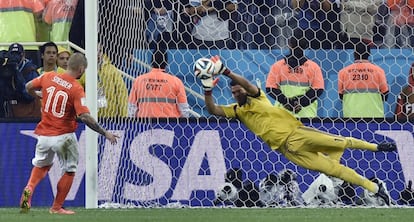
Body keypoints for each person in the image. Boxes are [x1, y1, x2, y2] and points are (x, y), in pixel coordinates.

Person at [200, 55, 396, 206]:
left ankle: (376, 147)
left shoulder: (258, 97)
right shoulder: (236, 111)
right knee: (333, 170)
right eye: (233, 93)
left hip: (298, 135)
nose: (237, 94)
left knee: (342, 141)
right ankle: (375, 188)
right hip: (288, 151)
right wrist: (207, 89)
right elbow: (213, 110)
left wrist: (226, 71)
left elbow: (247, 84)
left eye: (238, 91)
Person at [19, 53, 119, 215]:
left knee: (40, 165)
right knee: (70, 169)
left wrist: (39, 96)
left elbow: (28, 86)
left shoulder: (49, 76)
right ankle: (56, 207)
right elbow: (85, 116)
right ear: (81, 69)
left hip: (43, 135)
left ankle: (29, 188)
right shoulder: (76, 88)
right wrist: (104, 132)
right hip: (64, 136)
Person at [266, 33, 324, 118]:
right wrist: (300, 103)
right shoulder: (314, 67)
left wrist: (286, 102)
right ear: (306, 46)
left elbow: (270, 89)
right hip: (306, 115)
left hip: (282, 114)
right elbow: (318, 90)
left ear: (289, 44)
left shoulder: (278, 66)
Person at [128, 51, 190, 118]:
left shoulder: (139, 80)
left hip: (145, 123)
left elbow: (132, 107)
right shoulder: (176, 81)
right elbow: (184, 109)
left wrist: (132, 123)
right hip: (170, 124)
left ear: (151, 62)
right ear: (166, 63)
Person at [338, 41, 389, 118]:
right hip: (375, 115)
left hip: (351, 115)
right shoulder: (378, 71)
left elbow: (341, 96)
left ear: (354, 54)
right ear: (369, 53)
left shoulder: (343, 72)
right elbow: (385, 94)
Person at [7, 43, 41, 118]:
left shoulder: (31, 70)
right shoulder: (6, 69)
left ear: (23, 55)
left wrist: (16, 72)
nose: (15, 57)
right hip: (11, 111)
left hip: (29, 113)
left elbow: (29, 96)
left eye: (18, 54)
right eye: (12, 54)